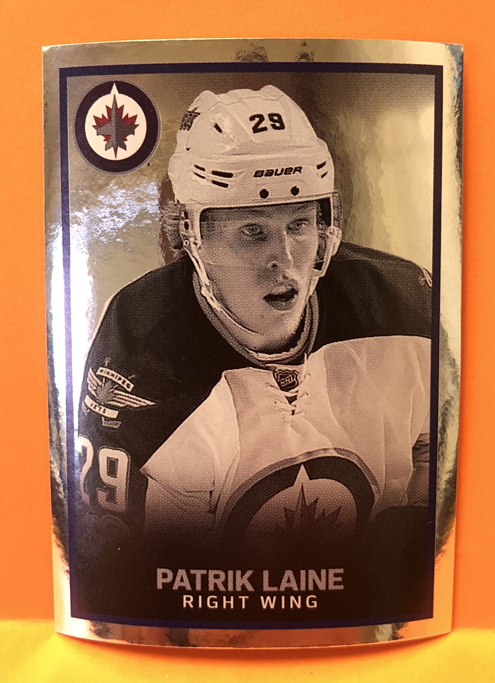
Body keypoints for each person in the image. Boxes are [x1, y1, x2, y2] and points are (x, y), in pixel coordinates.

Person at [76, 85, 432, 619]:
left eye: (298, 224)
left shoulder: (404, 303)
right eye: (252, 232)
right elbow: (137, 572)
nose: (284, 259)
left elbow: (437, 459)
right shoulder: (143, 346)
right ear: (193, 238)